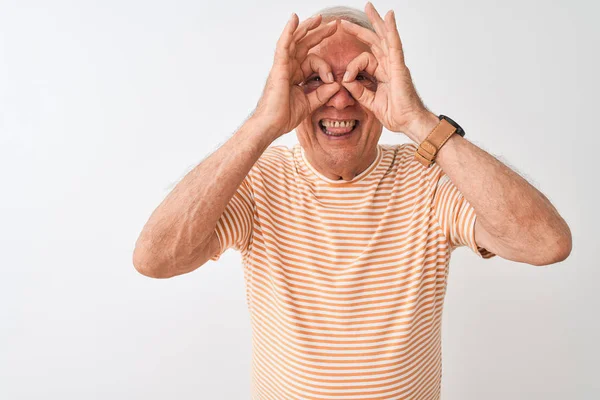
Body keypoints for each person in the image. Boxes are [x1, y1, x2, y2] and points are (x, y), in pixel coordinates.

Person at [133, 3, 572, 399]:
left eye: (363, 78)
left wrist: (417, 121)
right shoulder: (258, 180)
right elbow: (155, 259)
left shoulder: (429, 176)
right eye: (315, 80)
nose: (340, 98)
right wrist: (262, 124)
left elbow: (546, 244)